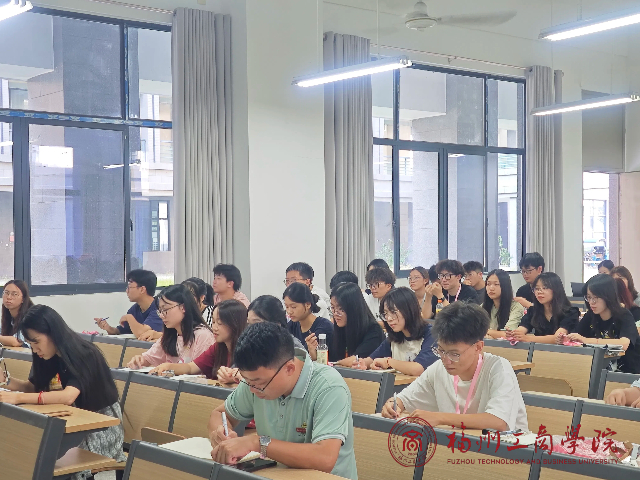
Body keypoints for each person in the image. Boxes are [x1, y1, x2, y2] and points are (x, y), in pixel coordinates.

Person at [207, 322, 357, 479]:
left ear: (289, 369)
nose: (252, 390)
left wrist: (258, 443)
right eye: (247, 381)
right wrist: (220, 434)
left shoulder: (329, 387)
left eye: (259, 383)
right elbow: (219, 414)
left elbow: (325, 458)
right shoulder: (255, 381)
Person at [0, 305, 126, 477]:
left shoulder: (85, 354)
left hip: (101, 427)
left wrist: (17, 398)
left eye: (36, 342)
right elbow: (33, 387)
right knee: (26, 451)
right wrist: (6, 381)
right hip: (73, 418)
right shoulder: (46, 355)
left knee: (49, 460)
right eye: (31, 344)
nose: (34, 349)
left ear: (53, 333)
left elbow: (68, 396)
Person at [381, 302, 529, 432]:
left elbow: (498, 421)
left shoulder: (499, 369)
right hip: (460, 445)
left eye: (454, 354)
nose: (446, 360)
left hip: (506, 449)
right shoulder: (439, 368)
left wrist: (440, 418)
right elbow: (403, 399)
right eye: (441, 351)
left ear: (478, 347)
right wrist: (393, 405)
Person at [150, 299, 248, 382]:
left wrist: (234, 378)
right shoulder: (217, 348)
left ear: (235, 324)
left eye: (219, 323)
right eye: (213, 322)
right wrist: (168, 366)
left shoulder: (247, 351)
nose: (214, 327)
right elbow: (190, 367)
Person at [127, 284, 215, 369]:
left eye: (165, 310)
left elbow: (200, 371)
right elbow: (149, 358)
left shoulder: (203, 335)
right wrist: (139, 360)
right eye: (160, 311)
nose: (161, 315)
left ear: (183, 307)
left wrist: (170, 367)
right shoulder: (170, 334)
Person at [355, 287, 437, 376]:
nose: (389, 319)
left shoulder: (431, 334)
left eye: (393, 312)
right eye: (385, 313)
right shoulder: (394, 336)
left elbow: (418, 369)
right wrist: (362, 363)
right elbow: (371, 359)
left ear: (409, 310)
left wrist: (388, 362)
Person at [568, 274, 640, 374]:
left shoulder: (624, 315)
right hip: (600, 370)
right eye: (589, 297)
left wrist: (586, 340)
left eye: (596, 298)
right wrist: (567, 338)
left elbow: (623, 344)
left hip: (627, 373)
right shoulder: (591, 315)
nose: (591, 302)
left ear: (608, 296)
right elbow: (577, 336)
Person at [310, 282, 384, 366]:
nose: (335, 313)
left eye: (341, 309)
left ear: (354, 308)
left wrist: (333, 364)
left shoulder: (374, 330)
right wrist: (314, 354)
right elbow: (330, 358)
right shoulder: (339, 328)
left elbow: (355, 360)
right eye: (333, 308)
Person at [510, 272, 579, 344]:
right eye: (537, 288)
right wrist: (514, 334)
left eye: (545, 288)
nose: (539, 292)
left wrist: (527, 338)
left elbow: (557, 338)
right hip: (538, 349)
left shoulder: (570, 312)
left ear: (556, 290)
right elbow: (522, 329)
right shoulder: (533, 311)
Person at [95, 269, 163, 338]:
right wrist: (108, 328)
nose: (127, 291)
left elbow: (142, 334)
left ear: (142, 289)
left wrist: (129, 317)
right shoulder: (135, 308)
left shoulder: (160, 308)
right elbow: (120, 331)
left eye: (129, 287)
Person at [283, 283, 334, 357]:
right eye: (287, 307)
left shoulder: (324, 326)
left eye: (293, 307)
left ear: (307, 305)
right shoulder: (291, 325)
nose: (289, 311)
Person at [482, 269, 525, 339]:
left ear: (505, 286)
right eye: (488, 284)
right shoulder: (483, 307)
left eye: (496, 284)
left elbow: (508, 334)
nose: (491, 288)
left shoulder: (516, 307)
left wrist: (485, 332)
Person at [0, 280, 33, 347]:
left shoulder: (31, 316)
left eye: (14, 294)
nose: (9, 297)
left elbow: (17, 342)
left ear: (23, 299)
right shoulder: (9, 315)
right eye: (6, 293)